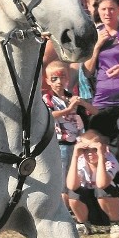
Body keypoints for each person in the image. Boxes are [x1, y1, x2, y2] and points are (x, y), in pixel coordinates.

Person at [84, 0, 119, 196]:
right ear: (98, 11)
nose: (107, 13)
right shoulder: (94, 33)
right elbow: (86, 70)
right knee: (95, 146)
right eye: (103, 9)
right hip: (102, 98)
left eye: (111, 9)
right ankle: (99, 197)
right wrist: (96, 47)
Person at [42, 60, 97, 209]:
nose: (59, 82)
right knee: (63, 180)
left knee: (79, 177)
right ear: (47, 81)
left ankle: (83, 209)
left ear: (67, 79)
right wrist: (68, 109)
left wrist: (82, 104)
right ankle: (65, 211)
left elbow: (95, 113)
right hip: (60, 144)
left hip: (78, 143)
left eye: (62, 77)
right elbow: (50, 115)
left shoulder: (72, 97)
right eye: (54, 79)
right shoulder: (47, 99)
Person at [66, 130, 119, 238]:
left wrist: (101, 154)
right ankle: (83, 224)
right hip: (93, 209)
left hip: (115, 208)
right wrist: (75, 157)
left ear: (104, 148)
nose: (90, 153)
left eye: (94, 149)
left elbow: (102, 184)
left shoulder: (110, 160)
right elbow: (71, 186)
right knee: (74, 191)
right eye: (85, 150)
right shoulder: (80, 160)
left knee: (102, 189)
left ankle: (116, 224)